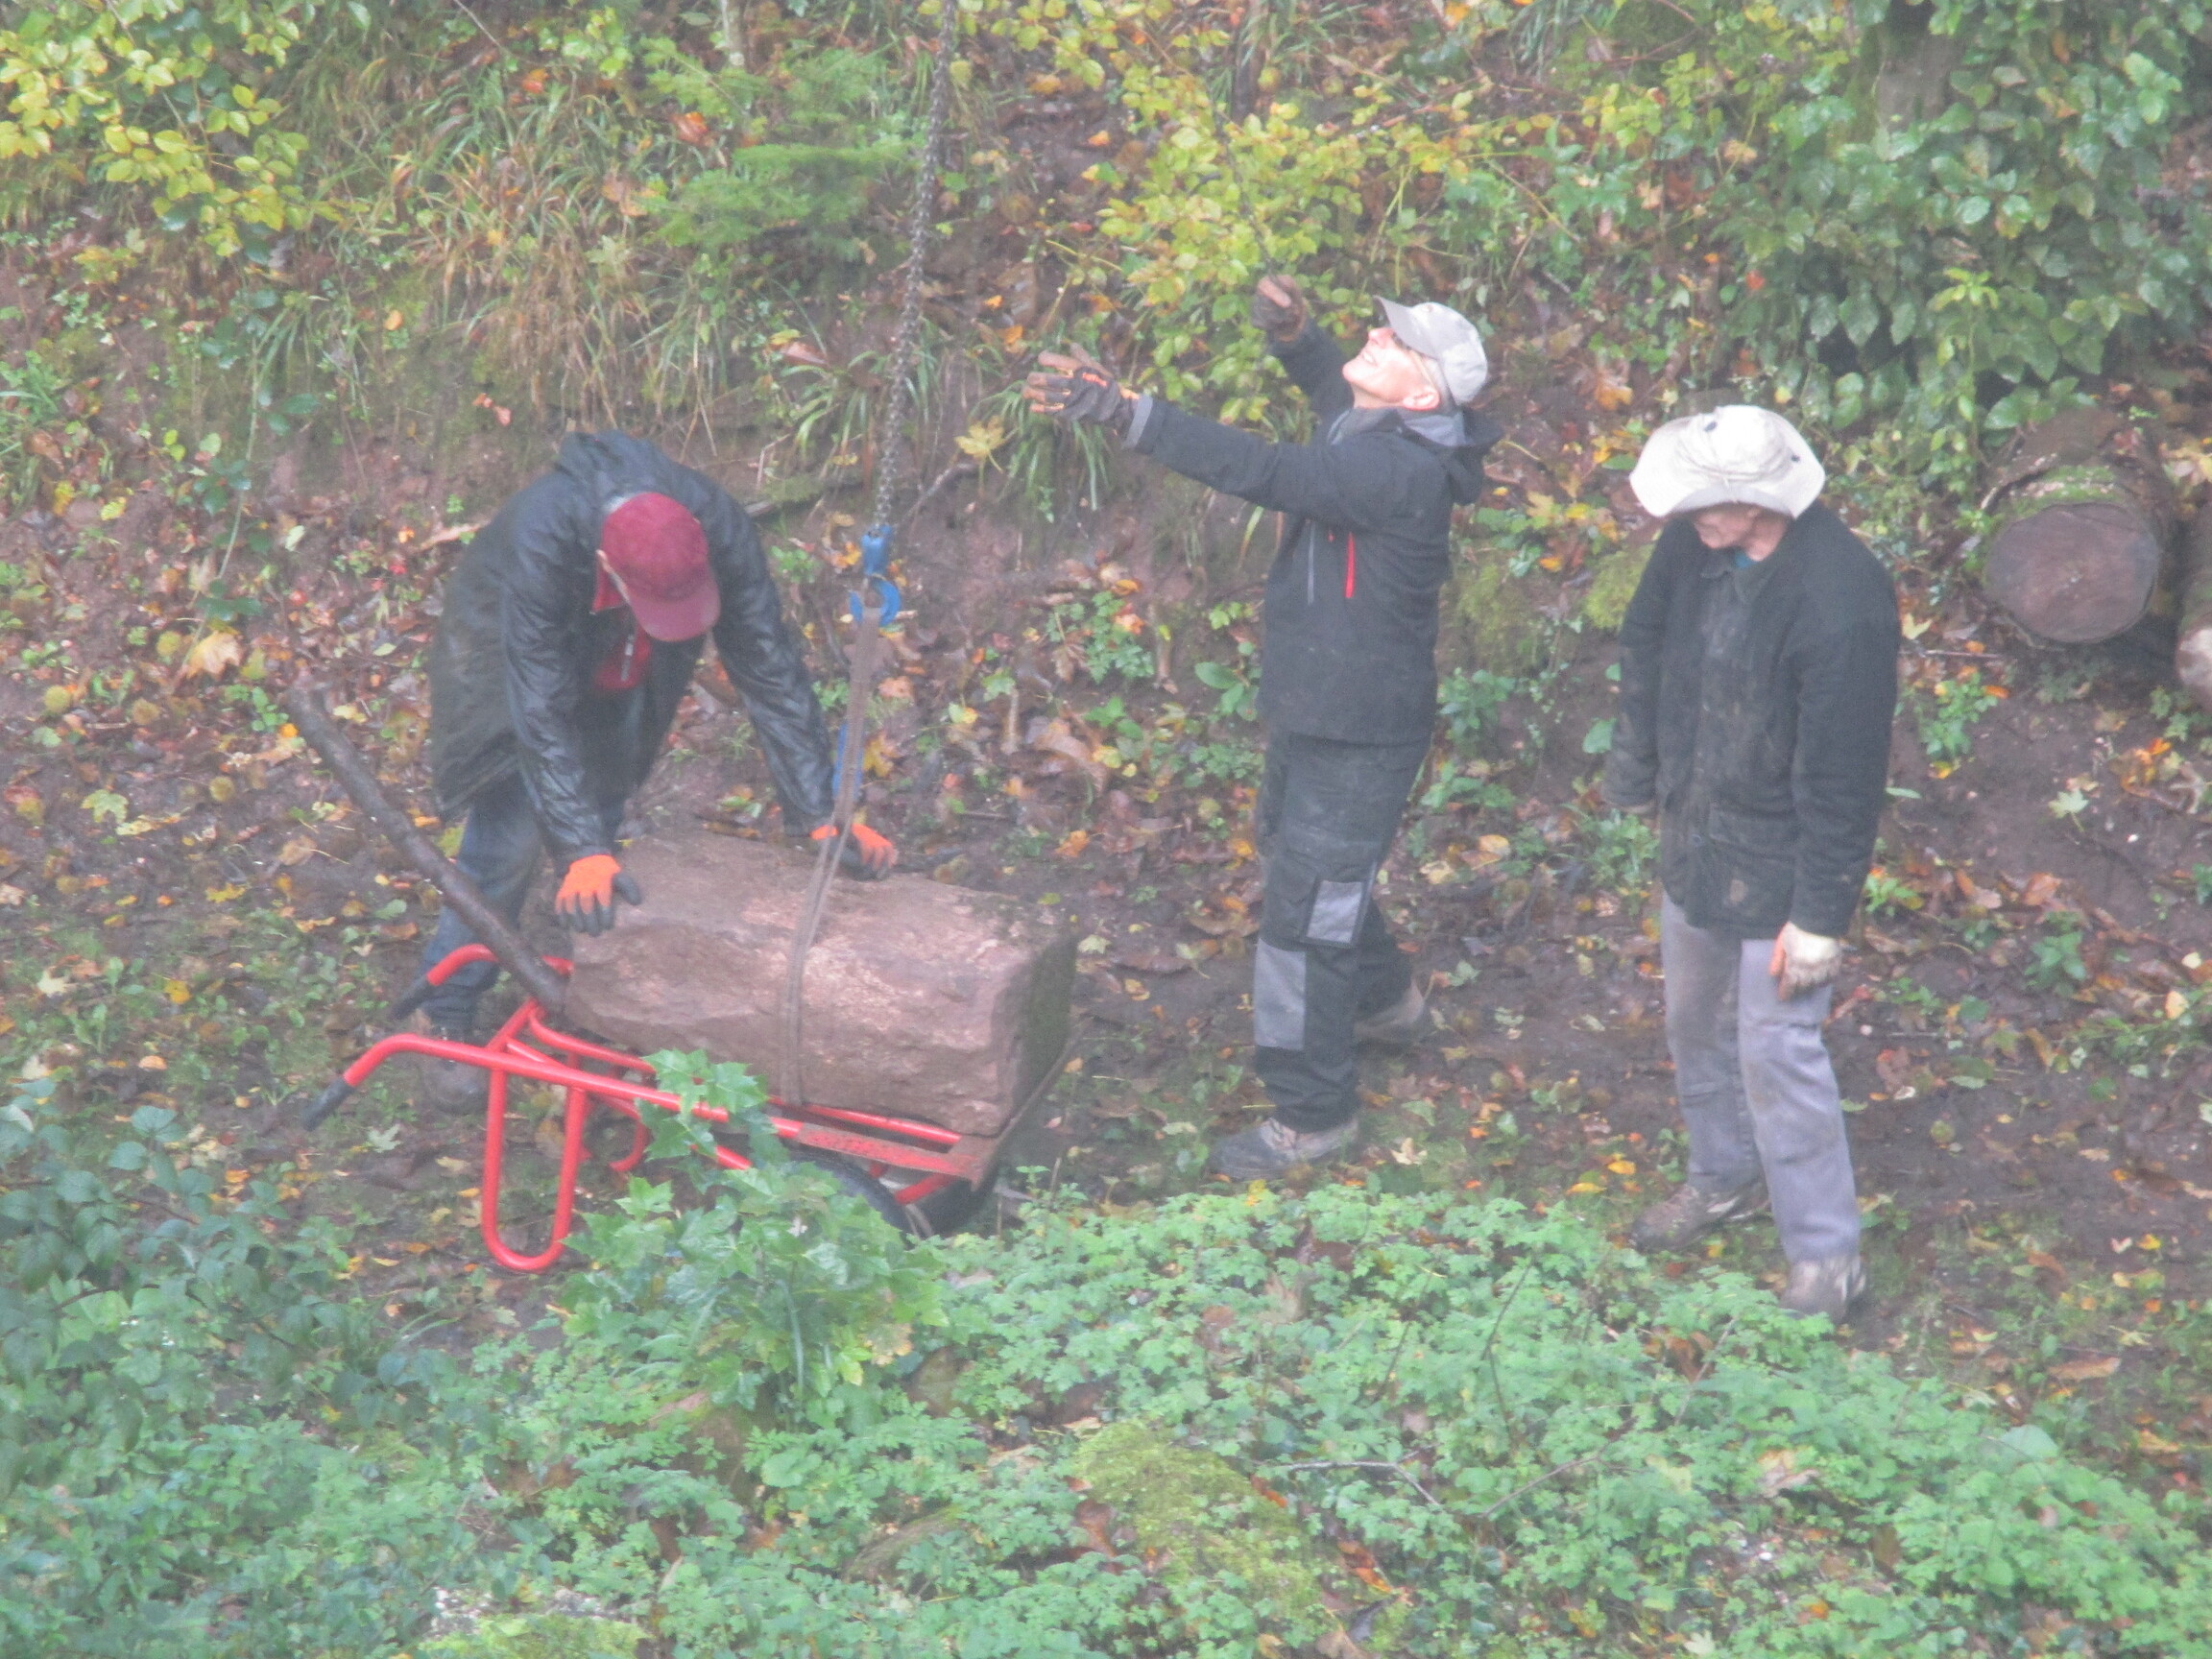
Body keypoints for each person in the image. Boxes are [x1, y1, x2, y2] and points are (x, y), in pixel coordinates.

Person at [1023, 279, 1501, 1179]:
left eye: (1396, 344)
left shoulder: (1395, 471)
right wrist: (1297, 339)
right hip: (1322, 708)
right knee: (1302, 864)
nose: (1375, 336)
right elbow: (1329, 396)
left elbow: (1266, 471)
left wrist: (1131, 412)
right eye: (1380, 328)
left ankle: (1313, 1114)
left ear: (1422, 396)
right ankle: (1388, 1006)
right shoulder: (1376, 430)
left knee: (1305, 917)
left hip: (1358, 730)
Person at [415, 429, 896, 1111]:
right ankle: (445, 1009)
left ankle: (597, 981)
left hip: (623, 651)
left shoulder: (715, 525)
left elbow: (767, 662)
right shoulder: (543, 539)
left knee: (608, 791)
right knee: (511, 835)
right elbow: (540, 709)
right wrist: (579, 847)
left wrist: (820, 809)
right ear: (606, 564)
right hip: (508, 654)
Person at [1600, 406, 1899, 1321]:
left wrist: (1819, 918)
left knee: (1778, 1047)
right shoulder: (1695, 545)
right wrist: (1638, 775)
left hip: (1783, 855)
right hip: (1698, 828)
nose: (1685, 516)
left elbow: (1844, 778)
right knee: (1693, 1016)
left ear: (1761, 501)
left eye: (1707, 503)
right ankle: (1723, 1176)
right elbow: (1645, 644)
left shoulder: (1841, 602)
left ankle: (1827, 1258)